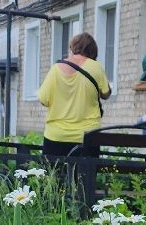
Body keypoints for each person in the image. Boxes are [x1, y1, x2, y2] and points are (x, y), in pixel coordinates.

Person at [36, 32, 110, 166]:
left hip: (56, 136)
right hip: (87, 137)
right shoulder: (95, 67)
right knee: (84, 183)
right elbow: (106, 93)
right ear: (93, 51)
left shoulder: (55, 68)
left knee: (55, 183)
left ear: (72, 47)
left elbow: (43, 99)